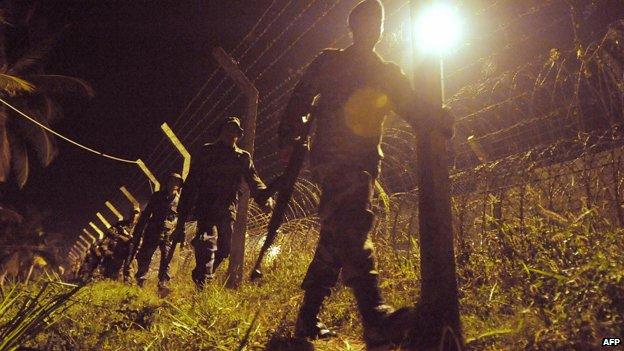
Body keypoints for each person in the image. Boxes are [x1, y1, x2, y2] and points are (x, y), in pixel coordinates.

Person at [277, 0, 453, 348]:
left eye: (379, 22)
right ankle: (375, 318)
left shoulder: (386, 71)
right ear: (354, 26)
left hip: (362, 164)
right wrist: (288, 135)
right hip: (332, 160)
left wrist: (438, 117)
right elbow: (300, 98)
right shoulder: (330, 61)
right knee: (352, 224)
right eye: (369, 20)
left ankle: (307, 319)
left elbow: (413, 107)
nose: (375, 27)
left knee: (335, 238)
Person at [174, 116, 274, 289]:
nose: (231, 133)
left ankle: (203, 273)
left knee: (224, 249)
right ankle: (204, 282)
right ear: (221, 132)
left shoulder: (242, 157)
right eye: (227, 129)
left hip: (228, 209)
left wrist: (265, 197)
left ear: (238, 134)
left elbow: (254, 180)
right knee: (207, 243)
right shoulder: (207, 152)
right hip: (207, 206)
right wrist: (181, 219)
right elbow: (190, 184)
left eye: (235, 130)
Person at [128, 173, 183, 295]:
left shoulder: (180, 201)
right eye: (172, 181)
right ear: (167, 182)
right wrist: (138, 231)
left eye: (177, 182)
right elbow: (146, 214)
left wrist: (178, 232)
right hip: (153, 230)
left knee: (167, 259)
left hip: (168, 233)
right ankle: (140, 282)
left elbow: (181, 219)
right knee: (145, 256)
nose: (174, 184)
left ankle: (163, 284)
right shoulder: (157, 196)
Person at [103, 209, 139, 281]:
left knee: (129, 266)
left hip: (132, 249)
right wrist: (119, 237)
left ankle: (128, 283)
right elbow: (109, 231)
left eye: (136, 214)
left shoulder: (139, 226)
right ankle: (113, 283)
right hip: (120, 249)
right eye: (133, 214)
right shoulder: (121, 224)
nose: (134, 216)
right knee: (116, 267)